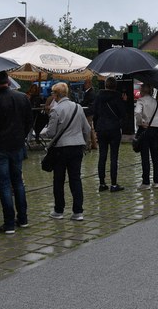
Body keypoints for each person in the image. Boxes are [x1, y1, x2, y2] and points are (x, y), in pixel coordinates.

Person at [0, 71, 33, 234]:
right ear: (9, 82)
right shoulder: (22, 98)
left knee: (4, 184)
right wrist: (21, 136)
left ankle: (9, 223)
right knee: (17, 182)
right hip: (17, 145)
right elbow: (29, 121)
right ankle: (23, 218)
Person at [42, 83, 91, 221]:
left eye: (53, 93)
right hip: (77, 147)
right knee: (76, 179)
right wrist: (85, 143)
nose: (52, 95)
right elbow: (87, 128)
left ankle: (59, 210)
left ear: (56, 95)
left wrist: (44, 132)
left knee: (59, 180)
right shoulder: (78, 107)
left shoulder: (56, 110)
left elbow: (51, 133)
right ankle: (78, 212)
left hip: (61, 149)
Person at [92, 77, 127, 192]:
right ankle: (114, 184)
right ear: (115, 86)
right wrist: (124, 102)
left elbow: (95, 113)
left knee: (102, 156)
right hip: (114, 129)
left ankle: (102, 183)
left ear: (105, 85)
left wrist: (96, 127)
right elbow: (123, 114)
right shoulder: (118, 97)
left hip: (101, 128)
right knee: (114, 157)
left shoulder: (98, 97)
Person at [134, 83, 158, 190]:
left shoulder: (141, 101)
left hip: (144, 130)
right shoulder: (157, 103)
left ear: (142, 91)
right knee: (155, 156)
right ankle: (156, 181)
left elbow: (137, 112)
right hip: (155, 130)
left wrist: (140, 122)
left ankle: (146, 182)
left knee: (145, 156)